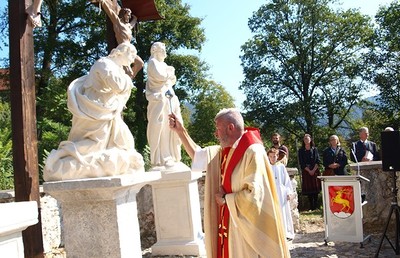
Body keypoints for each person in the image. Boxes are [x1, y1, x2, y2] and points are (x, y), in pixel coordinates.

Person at [169, 108, 290, 258]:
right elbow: (198, 156)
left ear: (230, 128)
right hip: (230, 227)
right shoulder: (226, 151)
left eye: (218, 129)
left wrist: (227, 199)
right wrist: (181, 131)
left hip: (246, 233)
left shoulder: (253, 151)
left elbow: (256, 195)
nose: (216, 134)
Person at [43, 42, 144, 181]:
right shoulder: (104, 64)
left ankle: (120, 165)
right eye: (132, 54)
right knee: (95, 144)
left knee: (125, 141)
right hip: (95, 110)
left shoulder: (117, 68)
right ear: (121, 52)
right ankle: (60, 153)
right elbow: (118, 86)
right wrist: (128, 79)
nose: (133, 59)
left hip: (107, 111)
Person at [146, 42, 185, 171]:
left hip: (169, 97)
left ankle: (173, 154)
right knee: (162, 126)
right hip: (159, 100)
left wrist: (169, 74)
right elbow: (161, 76)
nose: (164, 52)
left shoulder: (163, 64)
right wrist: (169, 73)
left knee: (172, 125)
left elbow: (172, 79)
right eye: (162, 50)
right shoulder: (152, 63)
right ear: (155, 51)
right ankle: (164, 156)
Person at [94, 0, 144, 78]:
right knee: (128, 72)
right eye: (128, 15)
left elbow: (133, 23)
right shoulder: (118, 23)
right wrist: (103, 2)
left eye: (130, 15)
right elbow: (110, 12)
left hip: (130, 50)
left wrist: (135, 18)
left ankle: (127, 81)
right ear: (123, 15)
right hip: (122, 50)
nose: (129, 17)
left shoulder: (128, 26)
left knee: (140, 63)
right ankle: (125, 81)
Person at [267, 148, 295, 240]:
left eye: (274, 156)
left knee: (283, 212)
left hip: (281, 192)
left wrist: (289, 192)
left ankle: (285, 232)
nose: (272, 158)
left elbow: (286, 180)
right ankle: (274, 233)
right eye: (270, 156)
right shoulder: (266, 167)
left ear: (277, 156)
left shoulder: (281, 167)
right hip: (271, 191)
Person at [298, 133, 321, 210]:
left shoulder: (315, 149)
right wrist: (309, 170)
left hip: (315, 170)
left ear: (310, 140)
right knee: (309, 190)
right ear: (303, 140)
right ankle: (311, 206)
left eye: (307, 138)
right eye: (305, 139)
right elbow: (301, 163)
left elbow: (318, 161)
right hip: (306, 171)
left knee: (315, 189)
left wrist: (313, 170)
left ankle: (316, 206)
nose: (306, 140)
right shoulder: (301, 150)